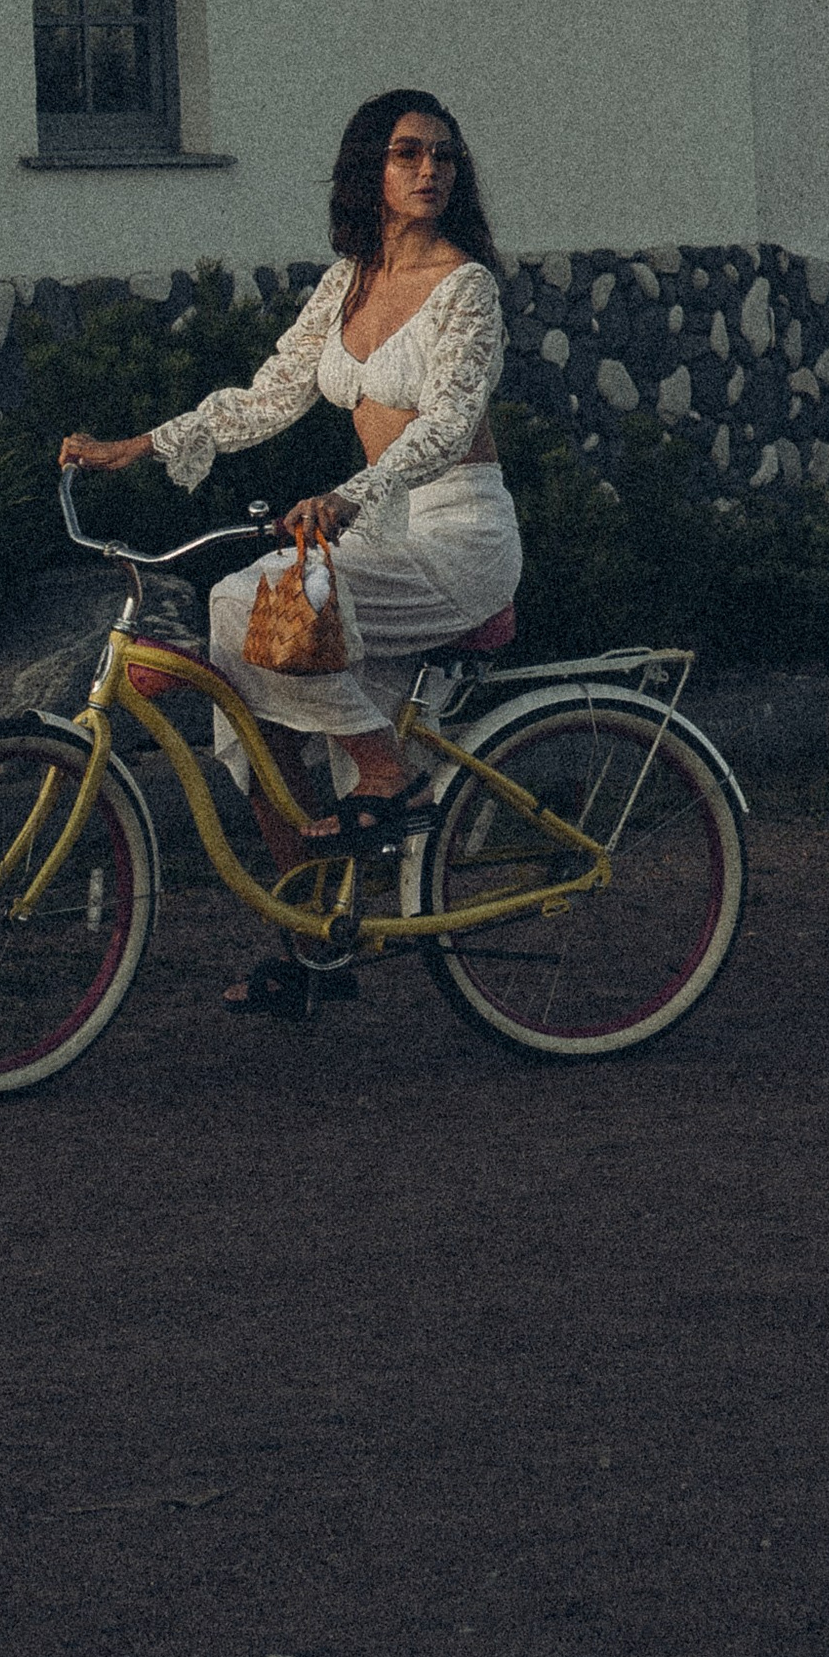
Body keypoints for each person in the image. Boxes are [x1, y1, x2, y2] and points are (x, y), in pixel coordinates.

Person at [58, 88, 520, 1017]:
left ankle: (383, 768)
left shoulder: (466, 287)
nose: (429, 170)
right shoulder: (348, 279)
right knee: (252, 708)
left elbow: (445, 425)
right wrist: (137, 447)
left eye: (443, 156)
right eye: (407, 154)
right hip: (381, 530)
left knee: (245, 604)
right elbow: (266, 397)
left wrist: (348, 494)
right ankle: (316, 946)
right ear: (371, 171)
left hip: (456, 536)